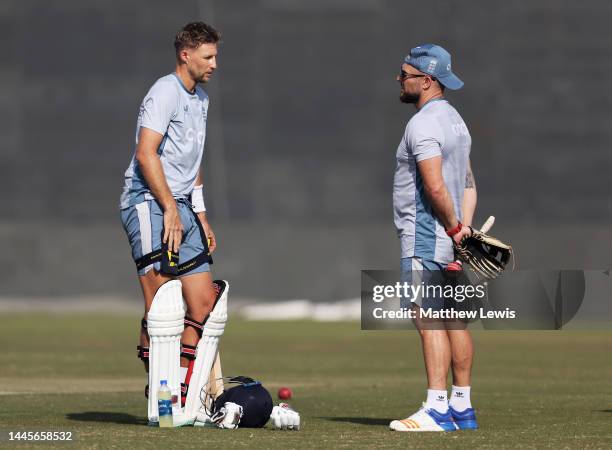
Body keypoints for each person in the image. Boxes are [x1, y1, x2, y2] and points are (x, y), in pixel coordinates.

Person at [119, 21, 222, 408]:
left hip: (181, 206)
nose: (214, 64)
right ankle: (162, 393)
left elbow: (192, 161)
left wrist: (200, 213)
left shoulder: (201, 100)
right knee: (162, 304)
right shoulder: (164, 92)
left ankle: (186, 388)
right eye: (208, 56)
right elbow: (147, 153)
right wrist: (168, 209)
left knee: (202, 303)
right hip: (148, 202)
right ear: (186, 54)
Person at [389, 44, 479, 432]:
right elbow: (470, 183)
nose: (399, 79)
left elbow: (435, 186)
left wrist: (454, 229)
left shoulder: (423, 124)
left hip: (426, 235)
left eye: (405, 74)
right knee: (453, 321)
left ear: (427, 81)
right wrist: (464, 232)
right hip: (451, 235)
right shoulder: (455, 119)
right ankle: (462, 407)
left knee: (427, 318)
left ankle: (437, 408)